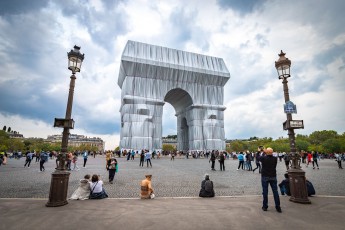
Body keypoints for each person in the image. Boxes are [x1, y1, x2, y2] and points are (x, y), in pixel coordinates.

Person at [259, 147, 281, 213]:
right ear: (272, 152)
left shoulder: (263, 158)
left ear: (266, 152)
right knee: (275, 192)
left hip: (265, 176)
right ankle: (278, 207)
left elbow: (258, 157)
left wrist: (261, 151)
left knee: (265, 192)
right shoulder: (275, 159)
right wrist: (266, 152)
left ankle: (265, 206)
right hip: (273, 176)